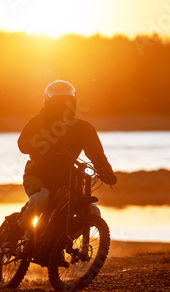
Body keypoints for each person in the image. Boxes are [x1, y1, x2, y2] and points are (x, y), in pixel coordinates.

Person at [17, 80, 117, 232]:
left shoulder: (84, 128)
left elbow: (96, 154)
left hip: (69, 180)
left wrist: (107, 172)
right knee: (40, 199)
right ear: (48, 103)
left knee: (93, 211)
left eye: (67, 102)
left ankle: (68, 244)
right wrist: (41, 143)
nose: (63, 106)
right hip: (38, 175)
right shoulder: (37, 122)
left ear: (74, 103)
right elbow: (22, 145)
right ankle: (17, 231)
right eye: (58, 102)